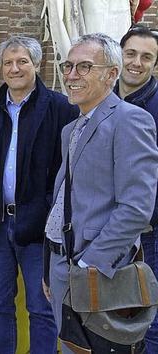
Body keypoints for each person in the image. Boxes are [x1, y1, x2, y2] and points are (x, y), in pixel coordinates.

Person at [0, 36, 78, 353]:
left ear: (37, 65)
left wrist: (52, 211)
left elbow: (71, 168)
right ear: (1, 68)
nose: (14, 68)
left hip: (40, 230)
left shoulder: (61, 109)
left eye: (22, 61)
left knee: (41, 309)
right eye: (8, 63)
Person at [44, 33, 158, 351]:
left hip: (96, 272)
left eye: (84, 67)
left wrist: (89, 266)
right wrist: (49, 264)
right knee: (71, 348)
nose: (70, 75)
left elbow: (136, 207)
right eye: (68, 66)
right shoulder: (71, 128)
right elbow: (62, 204)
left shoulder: (131, 120)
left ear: (111, 74)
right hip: (60, 265)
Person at [114, 24, 158, 351]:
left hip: (149, 234)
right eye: (131, 53)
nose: (136, 62)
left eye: (147, 57)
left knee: (150, 320)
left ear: (155, 65)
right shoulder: (98, 100)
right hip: (103, 233)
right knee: (108, 317)